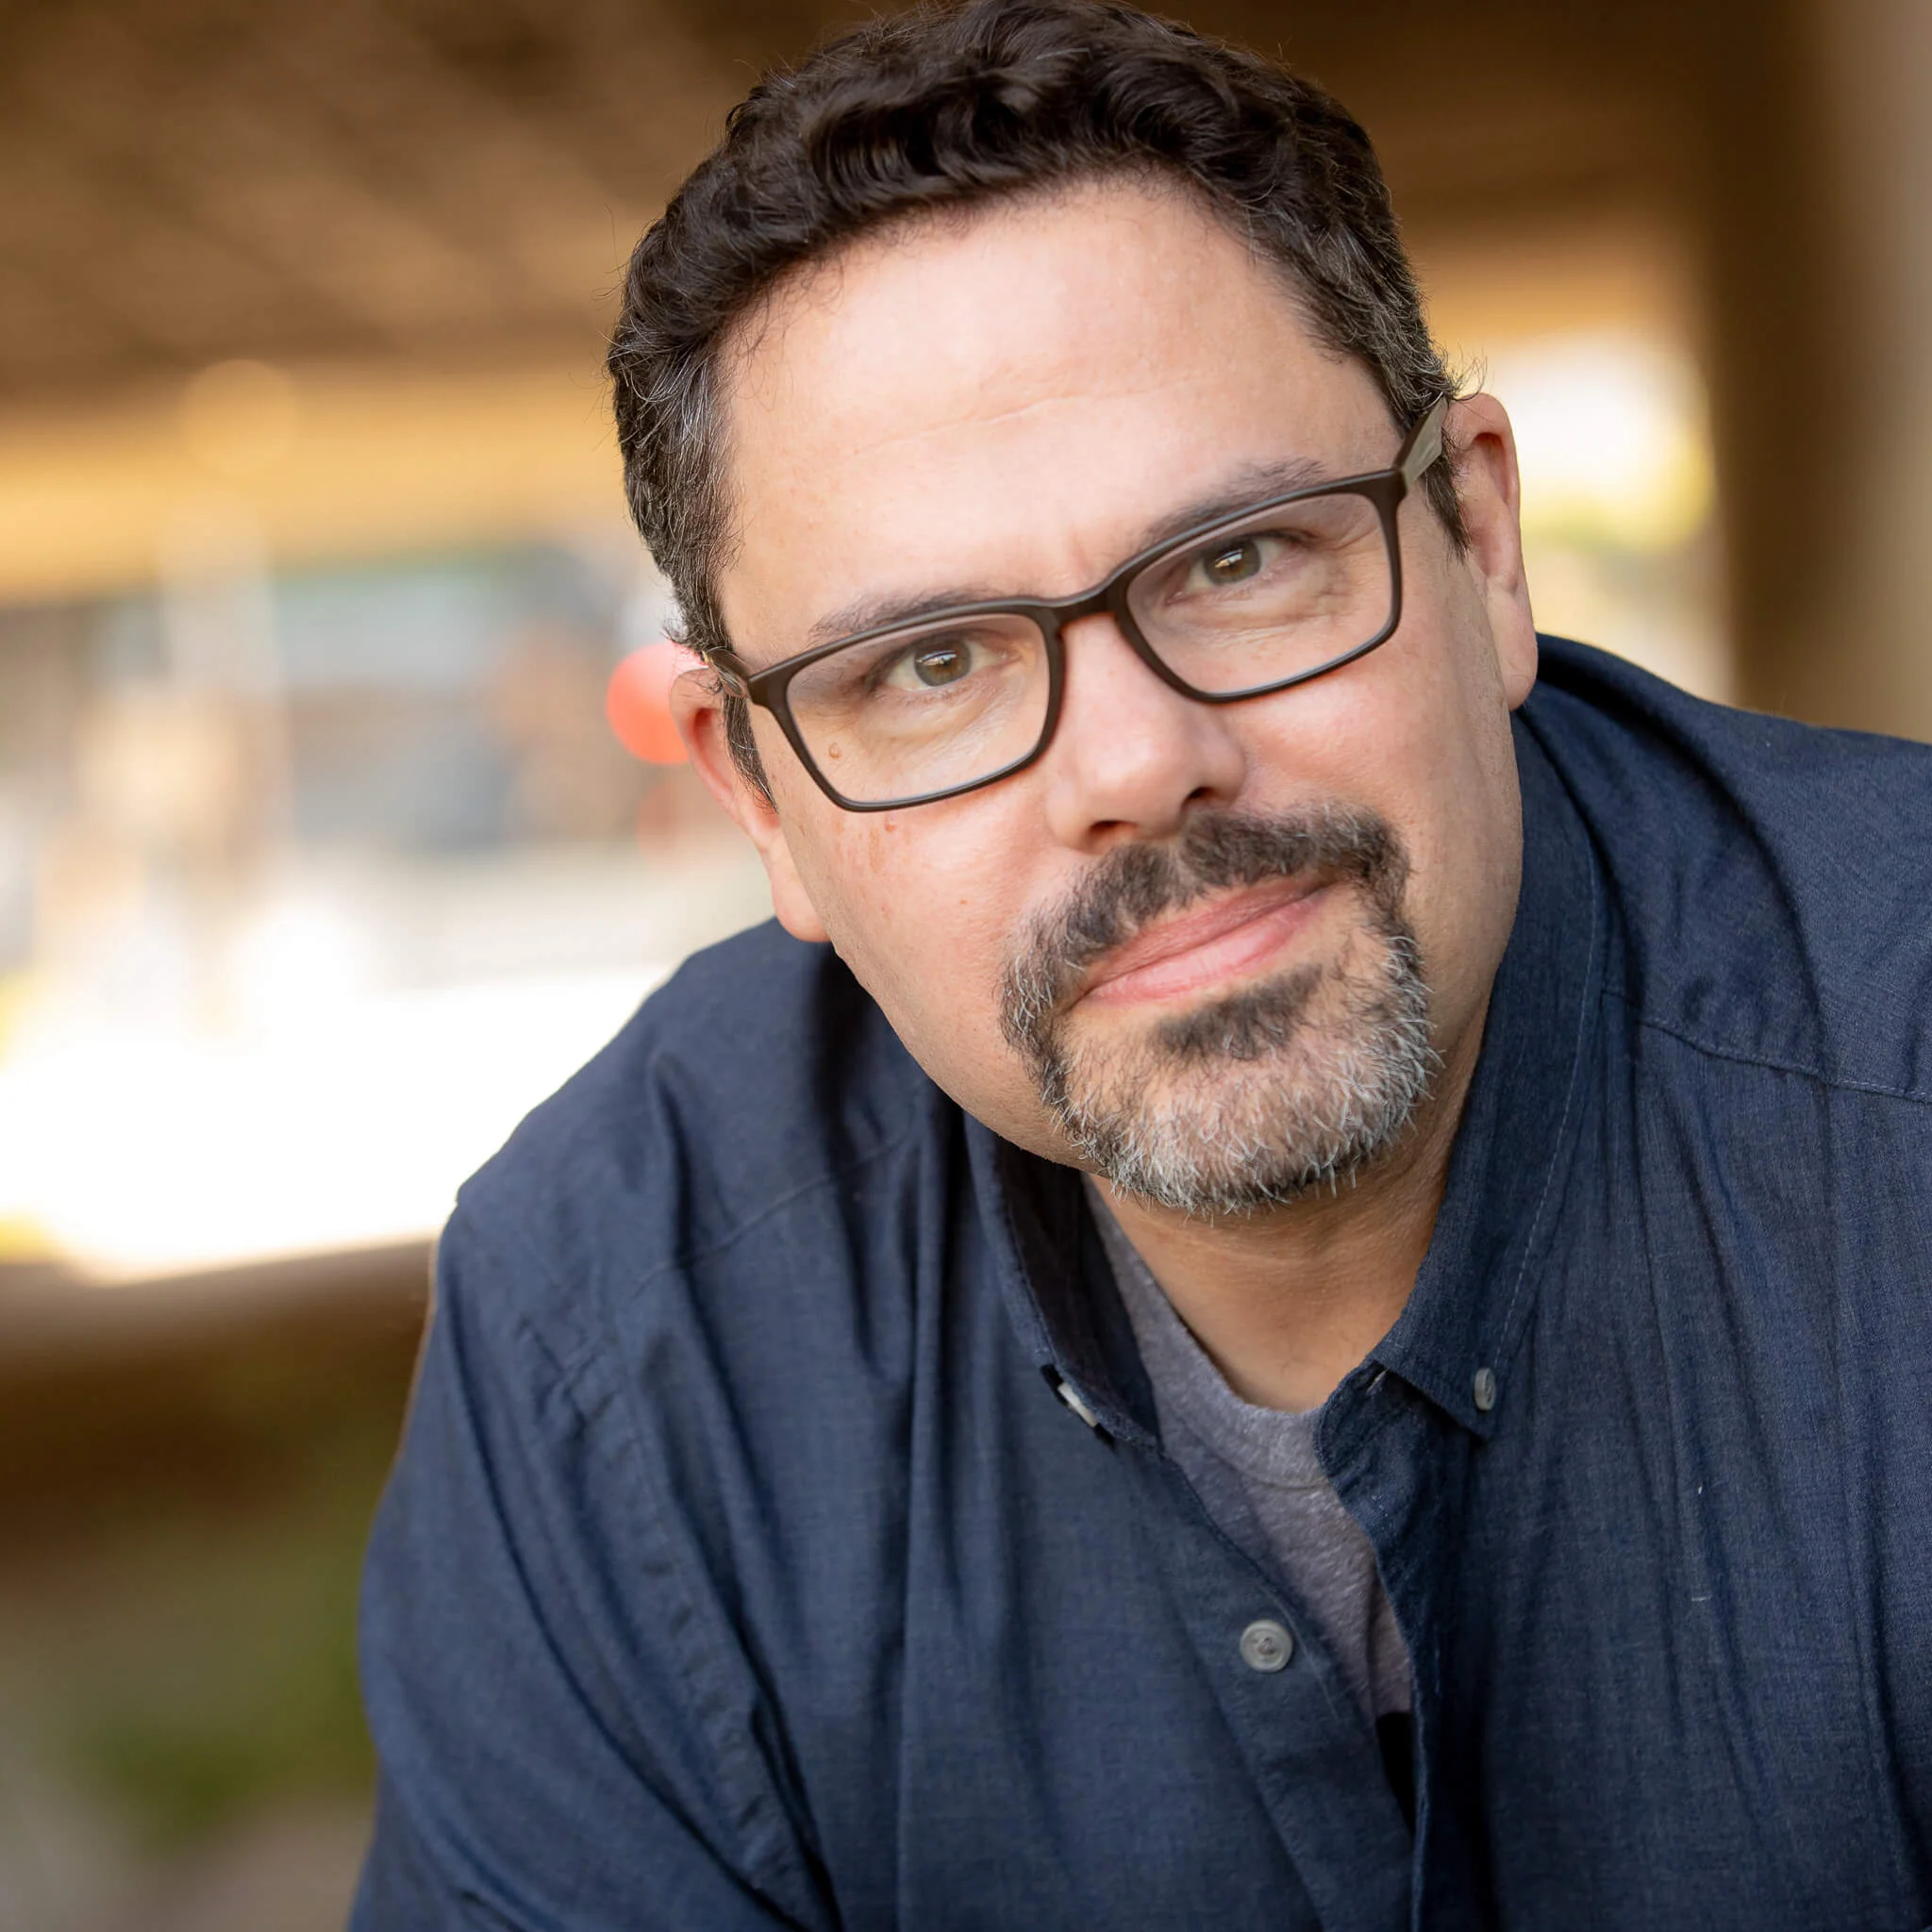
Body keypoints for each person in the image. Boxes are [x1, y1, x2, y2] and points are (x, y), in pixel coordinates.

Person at [351, 4, 1932, 1926]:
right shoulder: (620, 1333)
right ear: (762, 800)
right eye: (926, 667)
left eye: (1239, 559)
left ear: (1481, 543)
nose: (1134, 766)